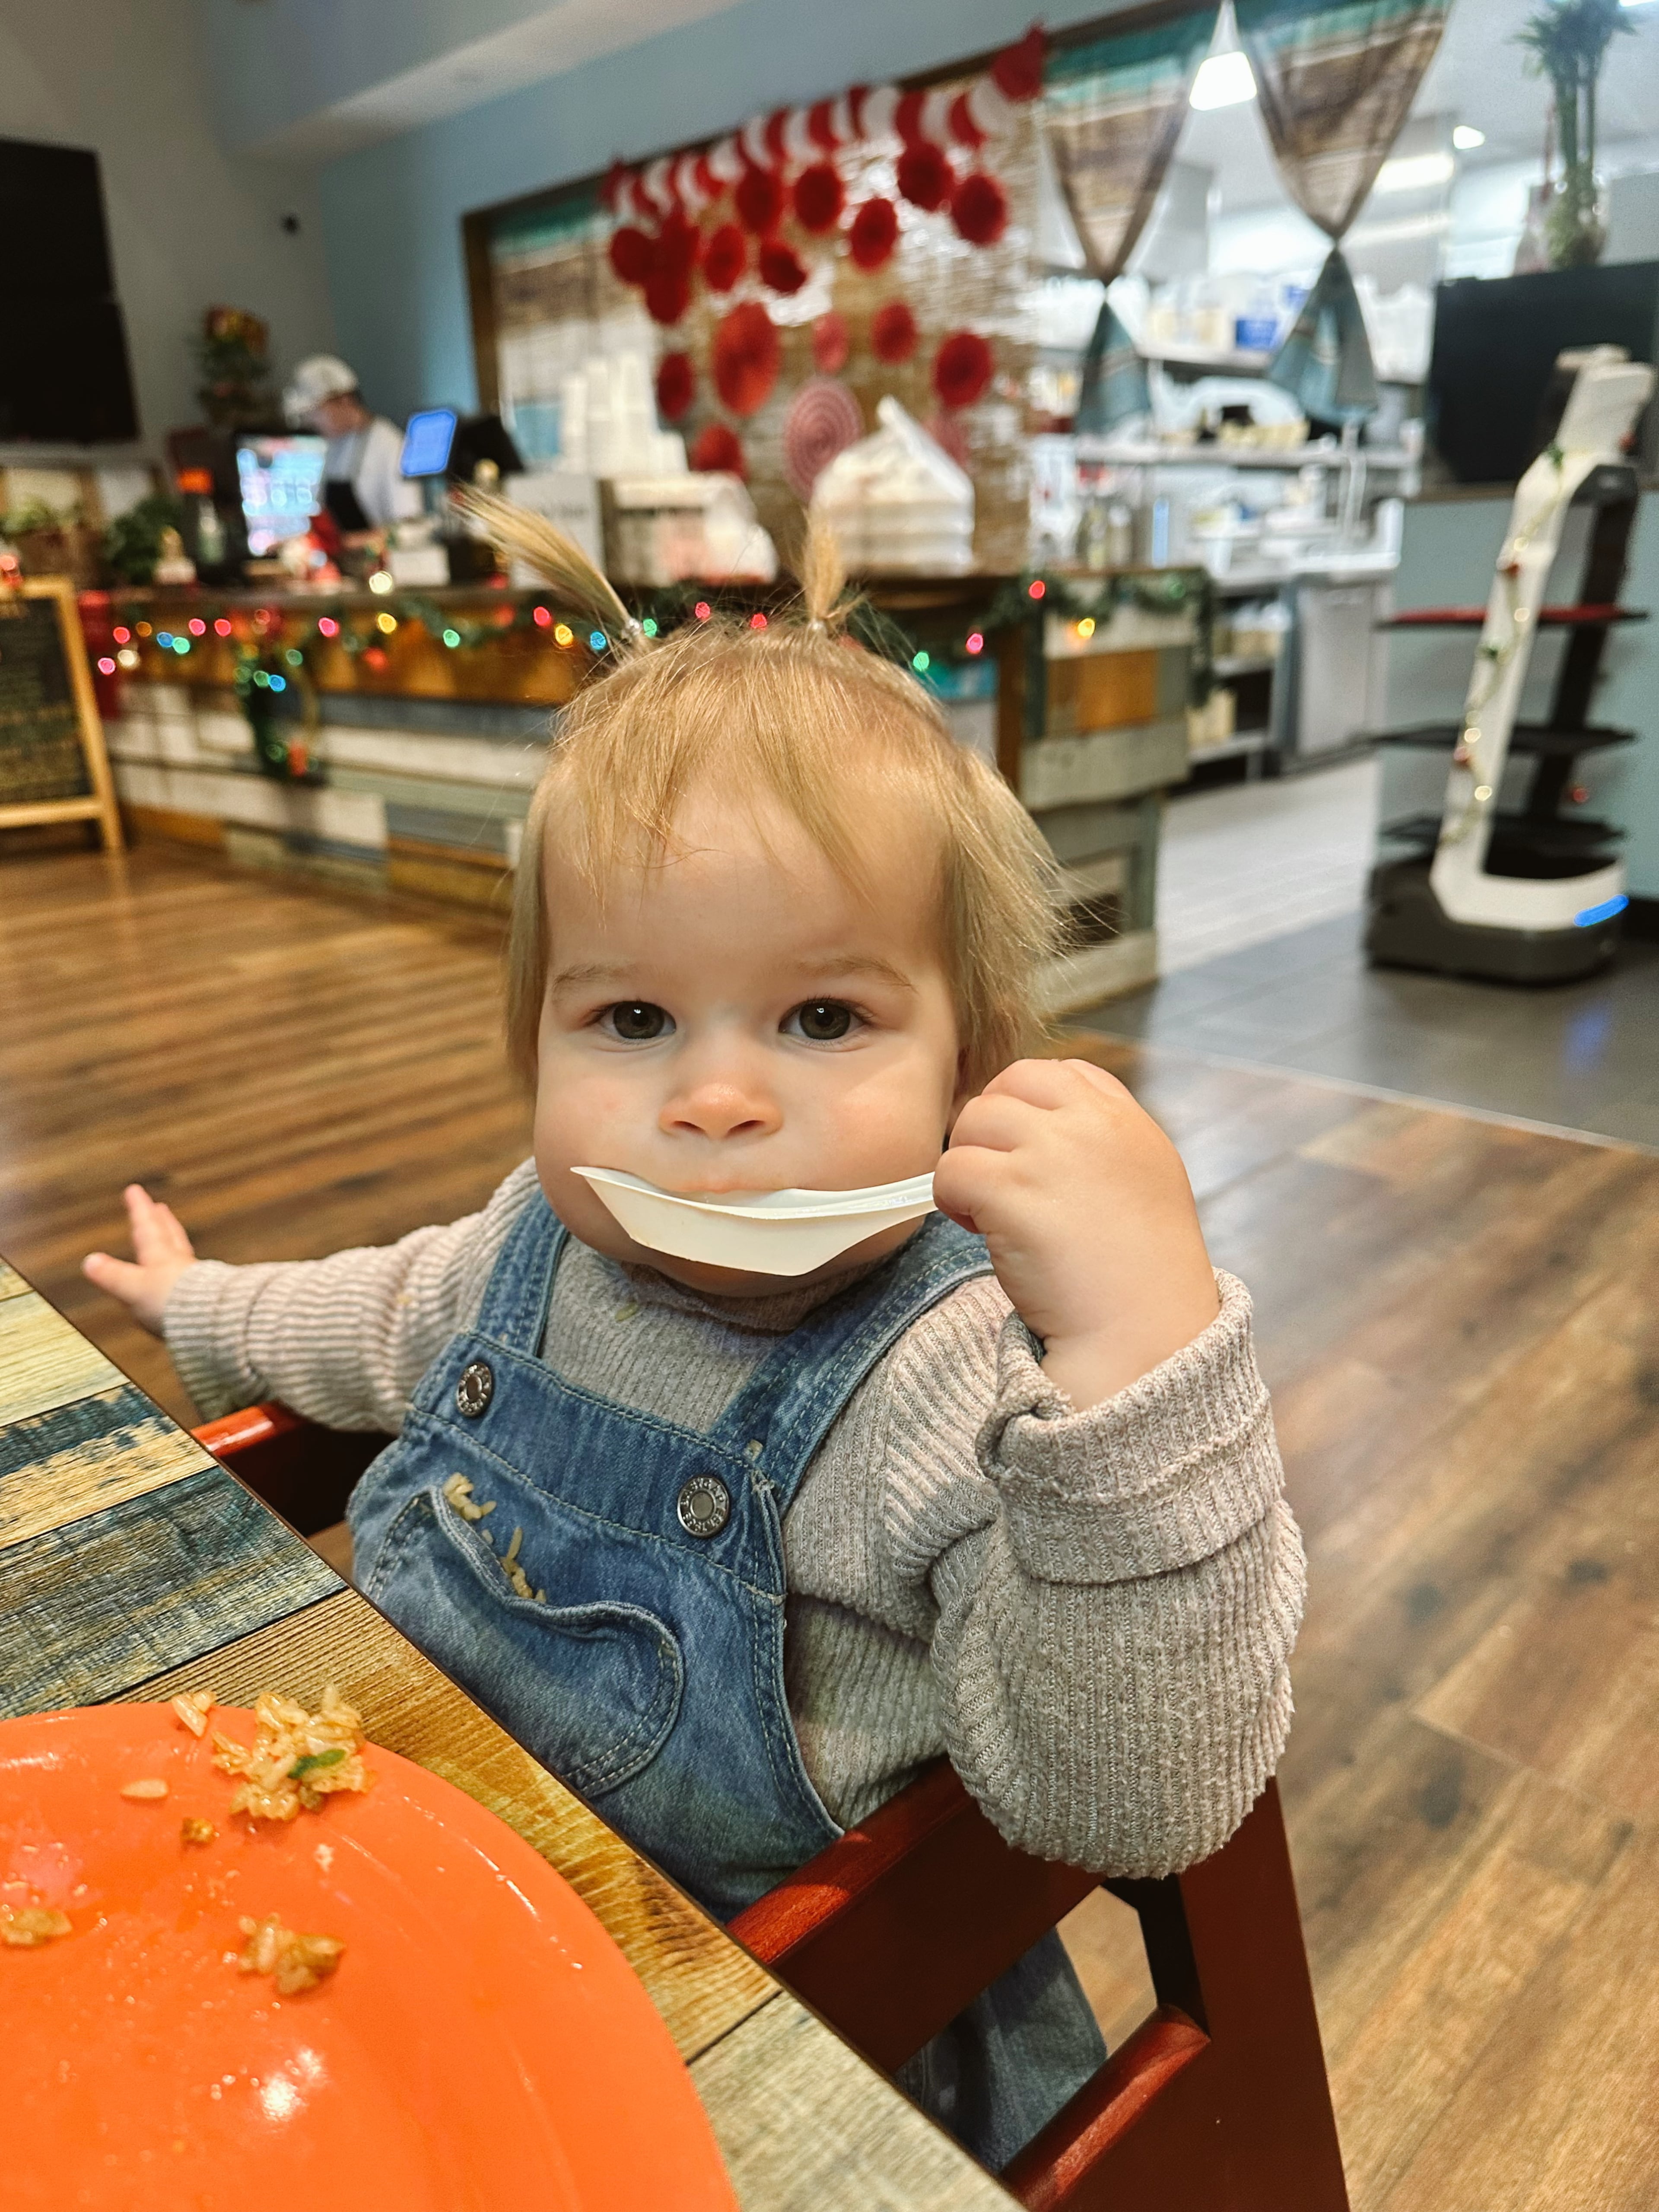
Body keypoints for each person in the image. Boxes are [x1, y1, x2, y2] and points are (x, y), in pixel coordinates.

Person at [84, 512, 1304, 2173]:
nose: (712, 1097)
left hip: (787, 2044)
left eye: (821, 1017)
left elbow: (1140, 1799)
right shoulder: (532, 1242)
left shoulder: (952, 1381)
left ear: (975, 1069)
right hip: (424, 1946)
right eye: (633, 1018)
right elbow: (374, 1318)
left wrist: (1138, 1368)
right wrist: (204, 1302)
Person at [282, 353, 422, 538]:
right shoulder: (330, 447)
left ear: (345, 401)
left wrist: (351, 543)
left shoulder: (391, 444)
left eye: (317, 412)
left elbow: (409, 527)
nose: (312, 422)